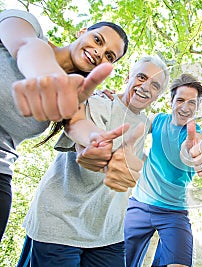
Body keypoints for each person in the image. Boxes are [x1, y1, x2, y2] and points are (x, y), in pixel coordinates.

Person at [17, 56, 169, 267]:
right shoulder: (99, 102)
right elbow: (84, 140)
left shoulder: (144, 123)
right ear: (128, 77)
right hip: (61, 224)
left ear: (158, 95)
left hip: (107, 233)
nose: (145, 87)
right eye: (141, 77)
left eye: (155, 85)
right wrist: (99, 152)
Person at [0, 9, 128, 241]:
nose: (99, 53)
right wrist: (47, 77)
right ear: (82, 32)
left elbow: (79, 125)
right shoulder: (26, 25)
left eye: (109, 56)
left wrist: (99, 141)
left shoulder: (77, 96)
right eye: (97, 40)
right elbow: (26, 45)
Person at [124, 73, 202, 267]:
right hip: (140, 204)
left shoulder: (196, 134)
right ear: (171, 102)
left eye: (192, 102)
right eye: (180, 100)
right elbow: (132, 126)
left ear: (198, 107)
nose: (185, 107)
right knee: (117, 259)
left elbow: (192, 148)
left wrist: (195, 151)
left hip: (174, 213)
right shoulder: (158, 121)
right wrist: (114, 98)